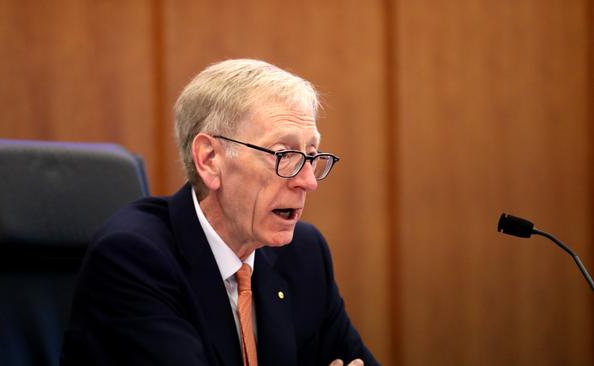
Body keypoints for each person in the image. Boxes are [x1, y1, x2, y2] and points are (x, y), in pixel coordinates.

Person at [61, 59, 379, 366]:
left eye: (310, 156)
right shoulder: (133, 260)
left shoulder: (304, 255)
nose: (308, 181)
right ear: (210, 159)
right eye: (284, 155)